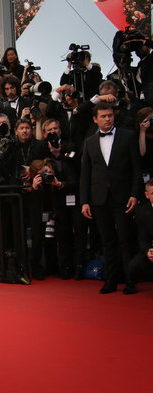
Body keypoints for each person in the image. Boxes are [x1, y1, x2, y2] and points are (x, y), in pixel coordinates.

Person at [80, 103, 141, 294]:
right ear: (95, 119)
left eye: (110, 115)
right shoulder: (89, 142)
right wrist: (84, 201)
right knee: (107, 241)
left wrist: (134, 194)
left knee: (125, 239)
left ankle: (130, 281)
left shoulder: (128, 136)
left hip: (123, 197)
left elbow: (136, 169)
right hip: (99, 199)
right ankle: (111, 279)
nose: (107, 119)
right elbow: (85, 174)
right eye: (103, 116)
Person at [124, 179, 153, 294]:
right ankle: (133, 285)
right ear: (146, 195)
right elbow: (142, 239)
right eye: (152, 193)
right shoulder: (142, 212)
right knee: (133, 266)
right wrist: (148, 251)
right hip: (151, 249)